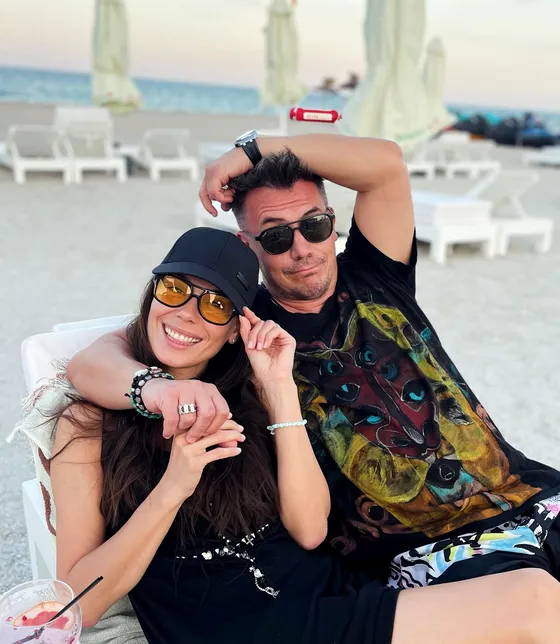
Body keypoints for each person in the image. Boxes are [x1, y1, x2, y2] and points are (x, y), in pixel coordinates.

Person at [67, 133, 560, 590]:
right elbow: (93, 360)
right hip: (432, 554)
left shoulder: (375, 272)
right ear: (248, 245)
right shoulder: (242, 326)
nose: (302, 249)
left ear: (332, 222)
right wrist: (154, 388)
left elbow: (387, 165)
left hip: (535, 499)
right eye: (276, 237)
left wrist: (257, 148)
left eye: (315, 226)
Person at [52, 226, 560, 644]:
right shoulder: (89, 424)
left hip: (329, 597)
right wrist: (173, 487)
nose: (187, 313)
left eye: (216, 305)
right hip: (237, 628)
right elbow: (78, 604)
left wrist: (279, 391)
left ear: (233, 330)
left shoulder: (248, 399)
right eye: (174, 289)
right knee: (532, 604)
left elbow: (310, 530)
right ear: (151, 295)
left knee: (534, 596)